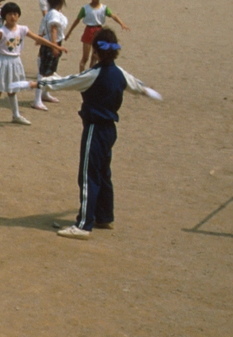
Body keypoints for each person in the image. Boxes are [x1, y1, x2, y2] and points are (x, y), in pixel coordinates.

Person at [40, 30, 161, 239]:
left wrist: (37, 83)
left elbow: (67, 82)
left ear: (95, 51)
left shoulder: (93, 74)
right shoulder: (120, 73)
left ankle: (83, 224)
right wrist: (150, 93)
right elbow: (139, 87)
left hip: (94, 128)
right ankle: (104, 216)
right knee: (103, 172)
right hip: (109, 130)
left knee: (88, 175)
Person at [0, 2, 66, 132]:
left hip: (16, 62)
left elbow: (39, 39)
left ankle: (16, 115)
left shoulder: (23, 29)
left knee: (13, 90)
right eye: (10, 14)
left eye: (15, 14)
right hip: (3, 61)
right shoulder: (1, 31)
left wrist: (55, 46)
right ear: (4, 16)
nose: (13, 16)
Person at [63, 0, 130, 73]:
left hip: (99, 32)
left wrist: (122, 23)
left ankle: (92, 75)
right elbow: (77, 20)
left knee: (95, 56)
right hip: (88, 31)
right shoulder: (85, 8)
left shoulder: (104, 8)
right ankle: (81, 76)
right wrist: (69, 32)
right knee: (85, 57)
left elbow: (113, 15)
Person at [32, 0, 68, 111]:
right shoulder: (54, 14)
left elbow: (43, 28)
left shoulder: (50, 13)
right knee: (43, 73)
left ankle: (45, 94)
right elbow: (53, 30)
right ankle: (37, 100)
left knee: (50, 72)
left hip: (51, 42)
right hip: (52, 43)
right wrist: (54, 46)